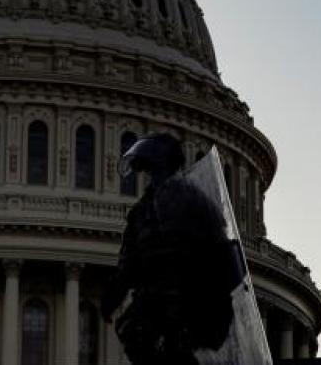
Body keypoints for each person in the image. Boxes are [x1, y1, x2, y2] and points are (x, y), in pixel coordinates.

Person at [101, 134, 242, 364]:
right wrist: (112, 297)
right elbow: (128, 264)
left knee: (158, 339)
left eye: (153, 171)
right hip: (162, 305)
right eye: (149, 173)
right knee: (137, 332)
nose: (151, 178)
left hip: (190, 301)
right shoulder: (149, 211)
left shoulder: (192, 202)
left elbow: (221, 251)